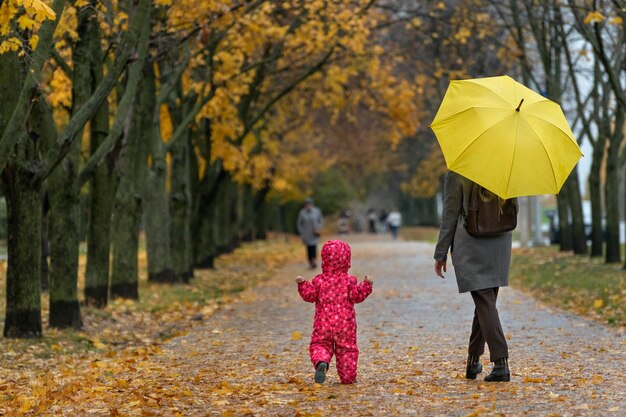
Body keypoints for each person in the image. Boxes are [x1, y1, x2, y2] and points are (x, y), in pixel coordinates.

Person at [433, 171, 512, 382]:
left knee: (485, 303)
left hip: (471, 244)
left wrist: (441, 253)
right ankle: (472, 361)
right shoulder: (507, 169)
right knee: (485, 303)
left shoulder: (458, 172)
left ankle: (501, 363)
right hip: (499, 243)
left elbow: (450, 214)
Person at [296, 240, 373, 384]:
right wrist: (366, 285)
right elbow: (357, 296)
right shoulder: (349, 281)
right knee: (347, 350)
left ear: (324, 259)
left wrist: (302, 284)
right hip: (345, 325)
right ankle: (348, 377)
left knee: (320, 345)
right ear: (347, 260)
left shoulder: (319, 281)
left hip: (323, 324)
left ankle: (321, 362)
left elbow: (310, 296)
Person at [297, 198, 324, 269]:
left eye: (309, 204)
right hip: (306, 233)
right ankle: (310, 261)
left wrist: (319, 228)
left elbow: (321, 220)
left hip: (315, 232)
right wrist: (301, 232)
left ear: (312, 204)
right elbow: (299, 223)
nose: (308, 205)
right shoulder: (302, 212)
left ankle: (313, 260)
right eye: (307, 204)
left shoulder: (317, 211)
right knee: (308, 247)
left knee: (314, 246)